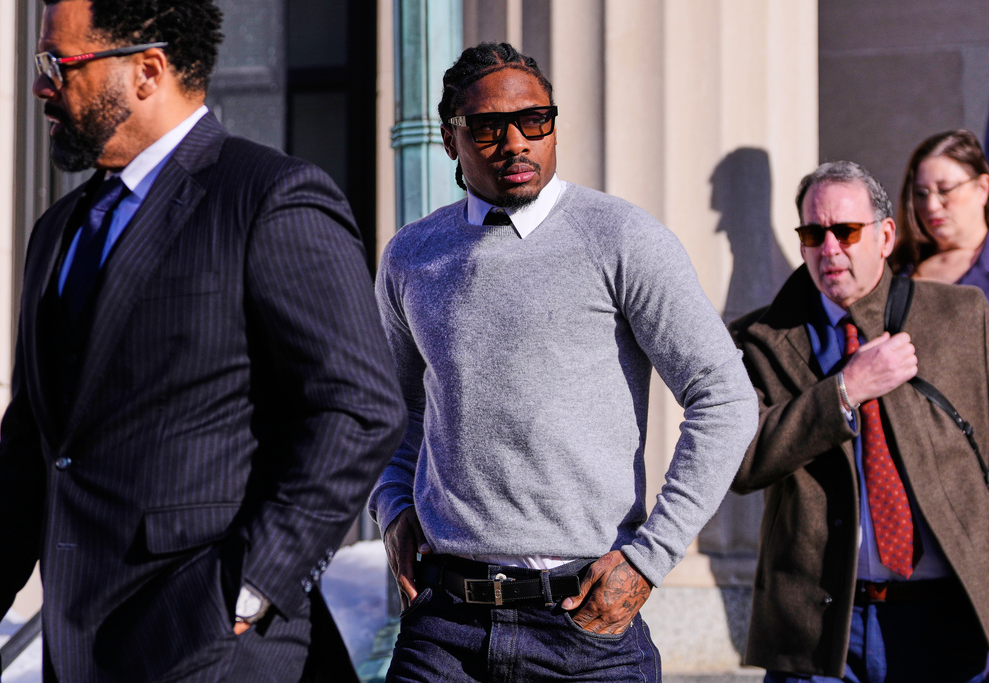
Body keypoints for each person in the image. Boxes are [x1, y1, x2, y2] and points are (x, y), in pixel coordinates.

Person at [0, 0, 406, 680]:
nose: (40, 86)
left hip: (219, 651)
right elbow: (35, 451)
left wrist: (251, 584)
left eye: (58, 63)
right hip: (76, 653)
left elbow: (360, 407)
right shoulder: (57, 232)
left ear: (147, 70)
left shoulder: (269, 197)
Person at [368, 42, 758, 683]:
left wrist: (649, 558)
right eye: (489, 128)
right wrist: (392, 506)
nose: (516, 142)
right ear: (450, 140)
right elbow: (392, 407)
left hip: (585, 624)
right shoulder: (413, 255)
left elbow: (726, 397)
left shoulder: (623, 239)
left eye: (535, 121)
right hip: (443, 628)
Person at [730, 160, 989, 682]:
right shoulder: (758, 338)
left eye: (846, 231)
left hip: (944, 616)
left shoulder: (961, 316)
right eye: (813, 233)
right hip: (820, 627)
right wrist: (846, 391)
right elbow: (740, 461)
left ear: (886, 235)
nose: (829, 249)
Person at [890, 129, 989, 298]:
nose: (931, 206)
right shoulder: (895, 263)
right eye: (921, 194)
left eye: (944, 190)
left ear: (982, 188)